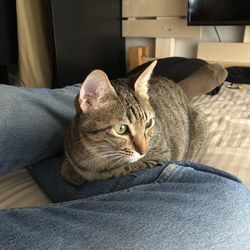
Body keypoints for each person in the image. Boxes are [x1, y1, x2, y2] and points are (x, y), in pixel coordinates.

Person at [0, 58, 250, 250]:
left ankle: (184, 88)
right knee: (236, 208)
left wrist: (138, 126)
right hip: (97, 112)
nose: (141, 147)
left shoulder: (145, 143)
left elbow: (157, 155)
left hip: (178, 121)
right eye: (123, 130)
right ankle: (185, 86)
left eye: (147, 129)